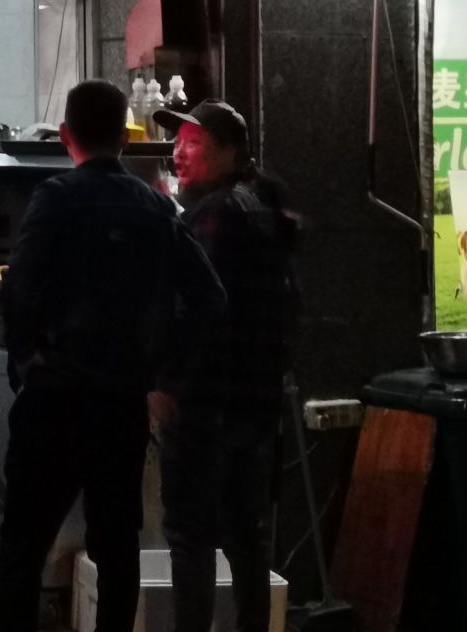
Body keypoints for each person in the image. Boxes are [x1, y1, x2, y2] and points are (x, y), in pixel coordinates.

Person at [0, 80, 226, 632]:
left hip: (52, 399)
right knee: (117, 547)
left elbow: (19, 289)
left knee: (23, 545)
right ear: (125, 136)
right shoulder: (156, 206)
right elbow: (210, 299)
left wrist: (24, 364)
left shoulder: (54, 198)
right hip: (120, 404)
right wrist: (164, 373)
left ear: (65, 135)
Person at [152, 99, 300, 632]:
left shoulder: (215, 215)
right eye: (177, 142)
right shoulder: (264, 207)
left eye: (193, 143)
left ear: (230, 153)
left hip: (205, 407)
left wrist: (167, 382)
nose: (178, 152)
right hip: (254, 408)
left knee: (190, 538)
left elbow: (198, 310)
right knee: (246, 538)